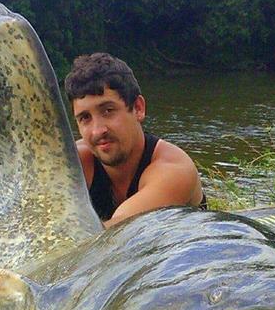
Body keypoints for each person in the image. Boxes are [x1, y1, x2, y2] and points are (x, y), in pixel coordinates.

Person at [64, 53, 205, 227]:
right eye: (85, 118)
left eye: (108, 111)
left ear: (138, 108)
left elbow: (117, 237)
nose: (98, 130)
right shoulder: (75, 163)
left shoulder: (174, 170)